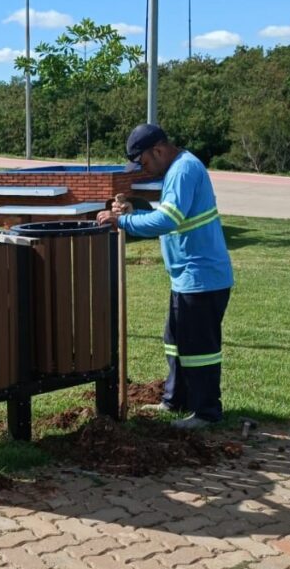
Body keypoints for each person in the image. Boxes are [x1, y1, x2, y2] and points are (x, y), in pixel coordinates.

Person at [97, 123, 233, 430]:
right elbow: (170, 215)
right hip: (187, 276)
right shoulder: (177, 170)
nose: (144, 169)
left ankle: (206, 412)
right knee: (175, 340)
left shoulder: (184, 170)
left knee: (199, 347)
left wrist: (124, 220)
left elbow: (169, 219)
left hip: (202, 276)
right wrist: (135, 213)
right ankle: (176, 400)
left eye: (144, 162)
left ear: (158, 150)